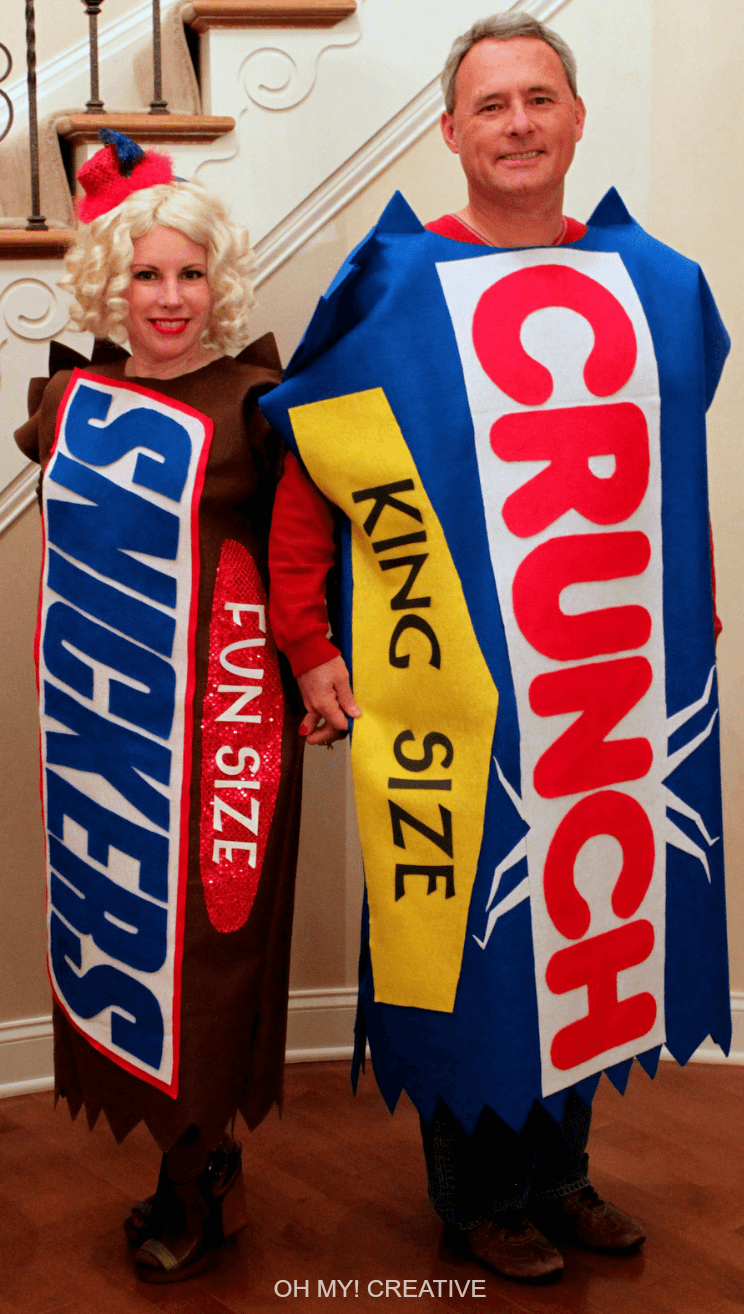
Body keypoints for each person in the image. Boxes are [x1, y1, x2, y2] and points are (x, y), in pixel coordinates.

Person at [262, 11, 731, 1286]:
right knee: (468, 942)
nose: (517, 124)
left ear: (576, 119)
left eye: (539, 98)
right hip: (451, 691)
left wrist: (691, 614)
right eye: (490, 105)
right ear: (450, 131)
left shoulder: (655, 285)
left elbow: (665, 469)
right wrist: (308, 645)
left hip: (602, 671)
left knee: (592, 913)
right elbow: (312, 482)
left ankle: (562, 1175)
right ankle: (478, 1201)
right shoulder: (392, 288)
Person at [14, 129, 304, 1283]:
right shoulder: (74, 400)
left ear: (218, 282)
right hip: (113, 732)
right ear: (109, 284)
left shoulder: (264, 406)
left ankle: (197, 1166)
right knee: (127, 933)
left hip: (230, 731)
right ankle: (190, 1160)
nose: (170, 297)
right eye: (145, 273)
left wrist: (319, 664)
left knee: (220, 946)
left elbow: (305, 556)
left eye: (190, 273)